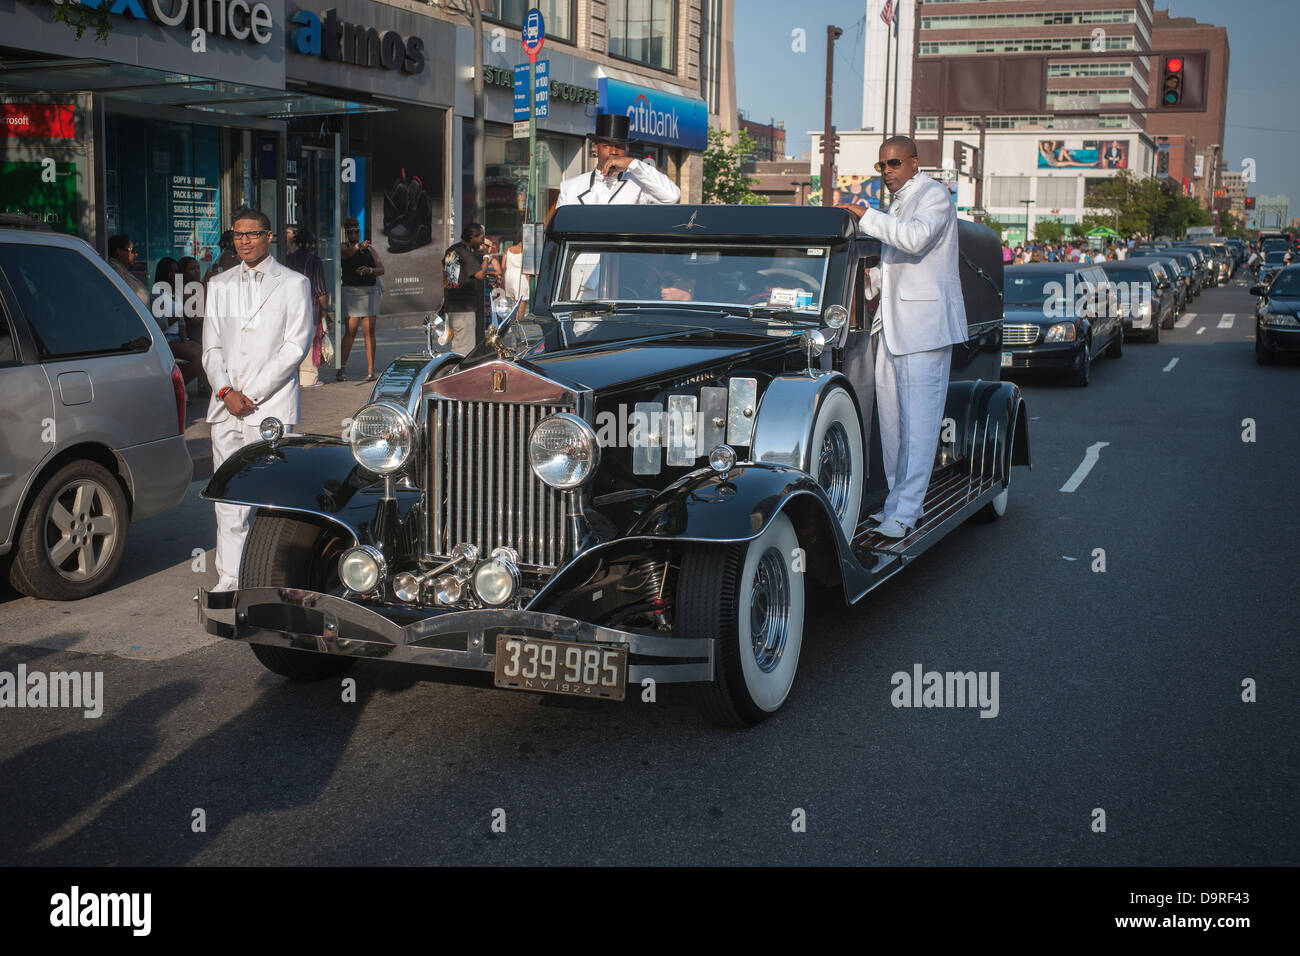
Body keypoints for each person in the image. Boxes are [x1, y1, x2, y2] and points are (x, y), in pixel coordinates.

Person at [838, 135, 968, 540]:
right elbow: (898, 264)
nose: (887, 172)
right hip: (893, 326)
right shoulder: (899, 202)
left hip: (925, 329)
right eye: (882, 166)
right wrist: (870, 281)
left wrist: (866, 216)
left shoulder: (935, 195)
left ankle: (909, 509)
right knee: (892, 425)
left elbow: (914, 239)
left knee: (919, 425)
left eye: (894, 164)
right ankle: (897, 504)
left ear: (914, 162)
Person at [201, 207, 313, 593]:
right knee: (228, 499)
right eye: (237, 235)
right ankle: (230, 577)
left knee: (271, 498)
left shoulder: (293, 283)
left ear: (269, 237)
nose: (244, 241)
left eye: (252, 234)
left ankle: (267, 577)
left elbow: (295, 346)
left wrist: (252, 394)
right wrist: (226, 392)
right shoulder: (220, 283)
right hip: (226, 406)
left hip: (270, 407)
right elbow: (211, 347)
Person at [557, 114, 681, 206]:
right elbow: (559, 232)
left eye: (619, 146)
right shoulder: (570, 187)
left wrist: (632, 163)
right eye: (607, 145)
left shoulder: (638, 185)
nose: (614, 151)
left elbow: (672, 197)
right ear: (596, 148)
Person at [338, 217, 385, 383]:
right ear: (346, 234)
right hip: (351, 291)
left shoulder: (369, 249)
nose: (354, 234)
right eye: (350, 232)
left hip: (369, 291)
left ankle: (371, 371)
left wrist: (369, 270)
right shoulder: (344, 247)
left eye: (356, 231)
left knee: (369, 330)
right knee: (350, 330)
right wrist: (359, 246)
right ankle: (341, 368)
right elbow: (348, 254)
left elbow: (381, 269)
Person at [152, 257, 206, 392]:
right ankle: (176, 388)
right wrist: (178, 315)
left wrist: (184, 341)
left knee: (207, 353)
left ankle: (179, 383)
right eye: (170, 272)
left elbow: (182, 322)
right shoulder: (158, 292)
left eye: (176, 272)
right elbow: (161, 324)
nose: (174, 275)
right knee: (200, 359)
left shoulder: (175, 293)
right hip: (166, 339)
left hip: (178, 337)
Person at [284, 226, 329, 388]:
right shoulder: (314, 260)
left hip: (290, 307)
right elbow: (320, 290)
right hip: (311, 308)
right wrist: (325, 310)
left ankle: (291, 376)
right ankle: (308, 379)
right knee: (309, 344)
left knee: (292, 341)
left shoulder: (288, 258)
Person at [442, 223, 489, 354]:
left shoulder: (451, 250)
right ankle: (460, 373)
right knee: (464, 350)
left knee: (457, 346)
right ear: (472, 237)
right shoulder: (464, 252)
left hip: (452, 305)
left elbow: (446, 276)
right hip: (464, 308)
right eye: (480, 238)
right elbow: (480, 274)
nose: (481, 241)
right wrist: (486, 257)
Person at [106, 235, 149, 307]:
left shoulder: (122, 270)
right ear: (119, 251)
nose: (136, 254)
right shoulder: (115, 270)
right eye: (132, 250)